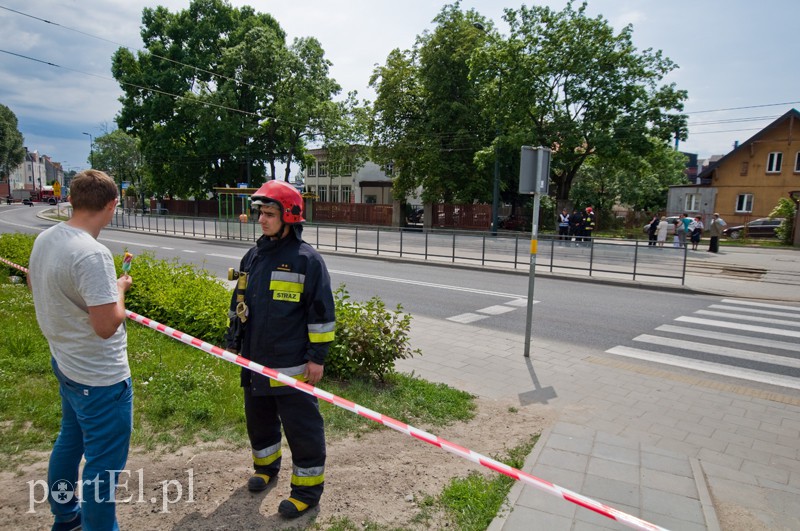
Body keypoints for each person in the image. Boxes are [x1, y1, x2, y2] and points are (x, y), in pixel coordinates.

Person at [27, 170, 133, 531]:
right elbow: (106, 326)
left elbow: (35, 282)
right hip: (101, 377)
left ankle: (65, 516)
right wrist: (119, 289)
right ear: (112, 204)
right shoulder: (92, 253)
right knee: (103, 468)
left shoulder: (47, 238)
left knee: (69, 443)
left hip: (67, 365)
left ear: (71, 199)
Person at [225, 180, 336, 519]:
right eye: (260, 213)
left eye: (269, 214)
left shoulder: (307, 261)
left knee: (302, 429)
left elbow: (321, 315)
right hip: (254, 358)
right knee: (259, 420)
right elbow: (239, 300)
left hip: (291, 366)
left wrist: (316, 360)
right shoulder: (255, 255)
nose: (261, 219)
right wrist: (233, 340)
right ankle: (266, 467)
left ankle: (306, 491)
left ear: (289, 217)